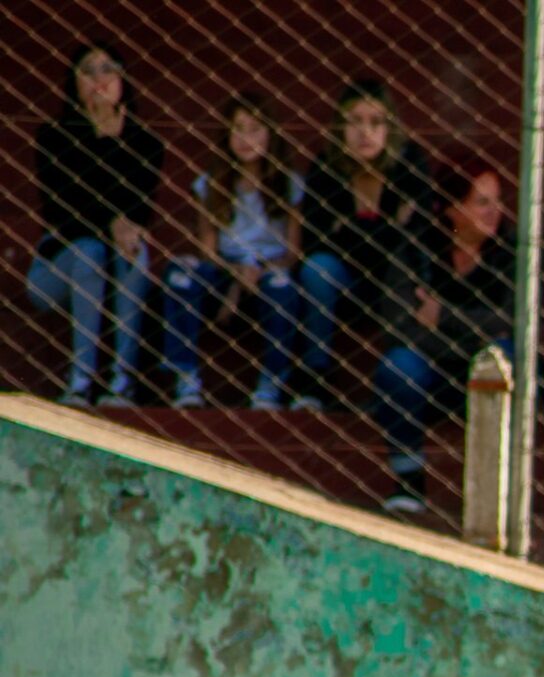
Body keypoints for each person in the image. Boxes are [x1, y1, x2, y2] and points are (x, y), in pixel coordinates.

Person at [369, 159, 513, 515]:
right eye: (482, 202)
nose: (495, 211)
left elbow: (512, 322)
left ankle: (494, 489)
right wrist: (472, 331)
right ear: (452, 210)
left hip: (483, 369)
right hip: (429, 372)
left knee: (504, 354)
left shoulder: (510, 252)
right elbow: (399, 322)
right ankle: (409, 478)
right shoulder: (418, 249)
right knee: (398, 365)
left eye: (497, 201)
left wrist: (444, 317)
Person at [27, 41, 164, 407]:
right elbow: (63, 213)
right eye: (88, 70)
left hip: (119, 261)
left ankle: (122, 380)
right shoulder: (54, 137)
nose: (99, 79)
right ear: (74, 81)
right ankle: (81, 380)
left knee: (136, 251)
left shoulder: (145, 142)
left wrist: (112, 141)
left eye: (108, 69)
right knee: (89, 250)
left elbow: (139, 207)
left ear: (123, 80)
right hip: (57, 268)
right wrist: (113, 222)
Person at [295, 79, 433, 411]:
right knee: (318, 269)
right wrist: (387, 227)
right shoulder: (325, 169)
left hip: (396, 280)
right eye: (354, 121)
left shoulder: (410, 166)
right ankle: (314, 377)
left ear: (390, 129)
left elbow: (417, 238)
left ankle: (392, 385)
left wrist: (347, 228)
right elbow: (314, 240)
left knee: (398, 264)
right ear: (341, 128)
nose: (364, 132)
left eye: (375, 122)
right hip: (345, 280)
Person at [159, 94, 304, 410]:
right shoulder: (212, 184)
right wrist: (236, 276)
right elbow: (207, 250)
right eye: (237, 129)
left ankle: (271, 384)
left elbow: (293, 252)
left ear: (270, 134)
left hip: (270, 268)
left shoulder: (289, 185)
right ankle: (186, 377)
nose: (245, 139)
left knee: (283, 285)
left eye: (255, 129)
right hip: (225, 268)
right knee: (179, 274)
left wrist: (259, 270)